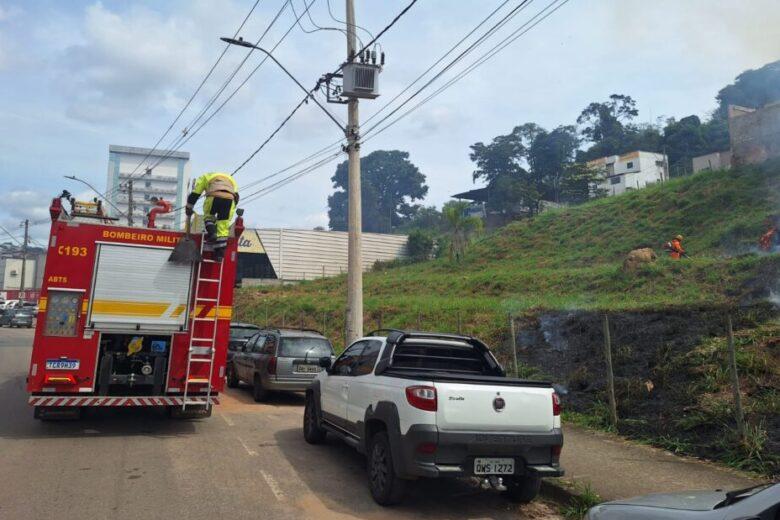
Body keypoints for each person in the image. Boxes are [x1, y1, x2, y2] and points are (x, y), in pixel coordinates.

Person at [185, 172, 239, 260]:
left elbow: (195, 194)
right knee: (223, 226)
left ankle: (212, 233)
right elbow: (236, 197)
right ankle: (219, 255)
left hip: (213, 196)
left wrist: (189, 208)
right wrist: (230, 210)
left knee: (209, 217)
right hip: (230, 199)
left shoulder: (205, 177)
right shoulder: (231, 179)